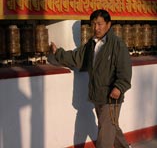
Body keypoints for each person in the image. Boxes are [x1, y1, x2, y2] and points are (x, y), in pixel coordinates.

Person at [48, 9, 132, 148]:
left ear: (108, 25)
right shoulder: (91, 44)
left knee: (104, 134)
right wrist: (58, 53)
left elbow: (125, 69)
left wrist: (119, 87)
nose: (96, 28)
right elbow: (76, 58)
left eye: (99, 24)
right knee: (111, 128)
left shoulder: (117, 45)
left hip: (111, 96)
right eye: (93, 24)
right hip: (97, 94)